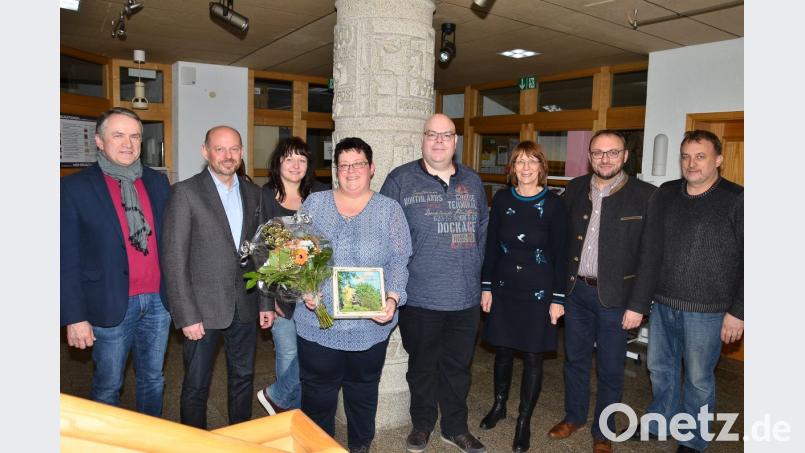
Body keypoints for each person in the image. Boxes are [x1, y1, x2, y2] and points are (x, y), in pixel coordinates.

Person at [295, 137, 412, 453]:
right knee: (318, 395)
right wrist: (305, 286)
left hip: (368, 328)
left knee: (362, 393)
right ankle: (318, 447)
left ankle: (360, 446)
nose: (350, 171)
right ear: (336, 170)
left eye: (358, 164)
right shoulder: (315, 204)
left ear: (371, 168)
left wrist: (391, 299)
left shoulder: (389, 210)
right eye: (343, 165)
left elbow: (399, 261)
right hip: (318, 322)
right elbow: (297, 253)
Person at [380, 113, 489, 453]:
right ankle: (422, 425)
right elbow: (385, 234)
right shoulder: (400, 180)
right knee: (423, 367)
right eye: (432, 134)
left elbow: (482, 232)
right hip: (420, 297)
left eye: (446, 135)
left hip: (465, 297)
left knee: (458, 369)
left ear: (455, 141)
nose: (439, 141)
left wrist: (479, 280)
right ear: (423, 139)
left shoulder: (473, 181)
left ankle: (455, 427)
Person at [630, 130, 743, 453]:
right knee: (660, 368)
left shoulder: (738, 199)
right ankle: (659, 420)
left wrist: (739, 311)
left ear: (718, 160)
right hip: (663, 303)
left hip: (709, 311)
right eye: (685, 156)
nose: (691, 164)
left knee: (697, 378)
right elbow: (650, 249)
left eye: (700, 156)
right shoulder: (665, 194)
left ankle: (693, 438)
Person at [547, 129, 655, 453]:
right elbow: (562, 243)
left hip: (617, 301)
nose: (604, 159)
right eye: (597, 153)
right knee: (575, 361)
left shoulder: (647, 195)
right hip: (576, 293)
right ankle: (574, 416)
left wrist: (639, 305)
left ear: (625, 156)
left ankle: (603, 431)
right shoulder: (575, 189)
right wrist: (557, 294)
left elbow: (651, 256)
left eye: (612, 152)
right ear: (590, 156)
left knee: (610, 369)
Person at [61, 107, 172, 416]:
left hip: (158, 303)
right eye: (118, 135)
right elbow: (64, 259)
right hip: (108, 303)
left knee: (154, 379)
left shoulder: (157, 183)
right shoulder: (74, 188)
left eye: (135, 136)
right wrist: (74, 316)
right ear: (99, 141)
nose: (128, 144)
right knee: (108, 385)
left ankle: (149, 441)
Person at [160, 125, 267, 429]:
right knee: (196, 385)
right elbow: (174, 258)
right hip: (202, 311)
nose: (227, 155)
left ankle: (239, 439)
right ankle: (194, 442)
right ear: (205, 152)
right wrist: (186, 314)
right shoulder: (186, 192)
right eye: (219, 149)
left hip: (245, 306)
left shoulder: (254, 193)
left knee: (244, 378)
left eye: (234, 148)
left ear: (242, 153)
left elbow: (260, 254)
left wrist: (265, 304)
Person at [478, 141, 567, 453]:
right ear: (511, 168)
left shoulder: (555, 205)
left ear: (542, 167)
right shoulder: (502, 200)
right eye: (520, 162)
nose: (526, 168)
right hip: (504, 288)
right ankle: (499, 405)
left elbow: (562, 254)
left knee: (532, 357)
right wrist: (486, 287)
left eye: (532, 162)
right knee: (502, 350)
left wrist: (558, 298)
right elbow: (490, 246)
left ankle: (523, 421)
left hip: (539, 292)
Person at [255, 137, 329, 415]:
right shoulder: (265, 195)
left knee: (313, 354)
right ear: (278, 163)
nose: (296, 165)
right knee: (287, 352)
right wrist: (267, 297)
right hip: (281, 293)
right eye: (289, 159)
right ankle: (289, 414)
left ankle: (284, 400)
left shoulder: (321, 194)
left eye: (302, 159)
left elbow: (328, 240)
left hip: (315, 292)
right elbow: (260, 250)